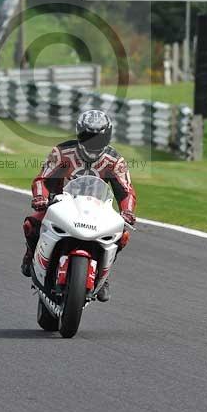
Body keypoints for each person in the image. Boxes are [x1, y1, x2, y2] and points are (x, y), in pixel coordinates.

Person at [21, 109, 137, 302]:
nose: (93, 143)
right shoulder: (62, 152)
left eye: (98, 138)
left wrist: (128, 212)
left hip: (98, 209)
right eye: (88, 136)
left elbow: (126, 191)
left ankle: (103, 276)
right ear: (79, 134)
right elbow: (43, 179)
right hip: (61, 205)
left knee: (122, 235)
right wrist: (40, 197)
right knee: (31, 224)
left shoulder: (115, 161)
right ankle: (30, 255)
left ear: (108, 137)